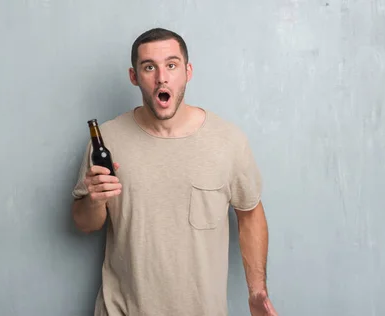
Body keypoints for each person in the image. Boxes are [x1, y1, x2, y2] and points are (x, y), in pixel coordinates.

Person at [71, 27, 277, 316]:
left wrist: (257, 290)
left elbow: (250, 213)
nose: (161, 77)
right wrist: (94, 200)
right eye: (148, 67)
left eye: (171, 65)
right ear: (134, 77)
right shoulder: (107, 140)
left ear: (188, 71)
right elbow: (84, 223)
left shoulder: (228, 141)